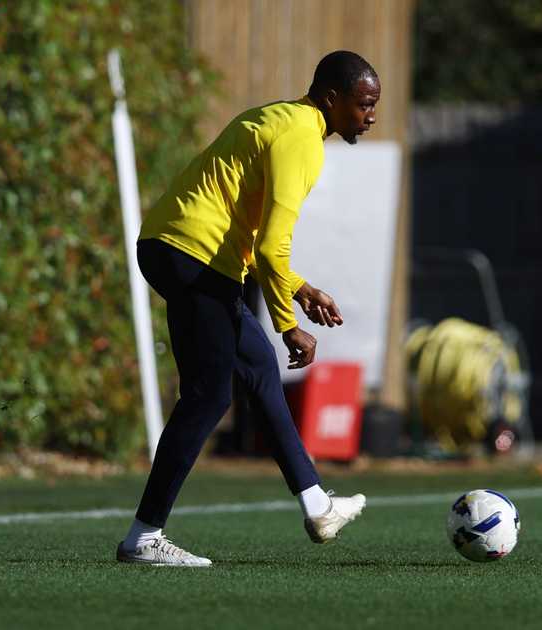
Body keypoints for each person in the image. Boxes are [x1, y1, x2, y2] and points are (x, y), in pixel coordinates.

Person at [117, 50, 381, 566]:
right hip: (195, 255)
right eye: (364, 105)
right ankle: (144, 537)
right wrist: (289, 325)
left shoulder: (282, 118)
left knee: (256, 367)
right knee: (208, 396)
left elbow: (255, 237)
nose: (370, 116)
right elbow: (270, 247)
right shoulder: (303, 139)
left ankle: (317, 504)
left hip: (175, 247)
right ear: (332, 98)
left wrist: (298, 288)